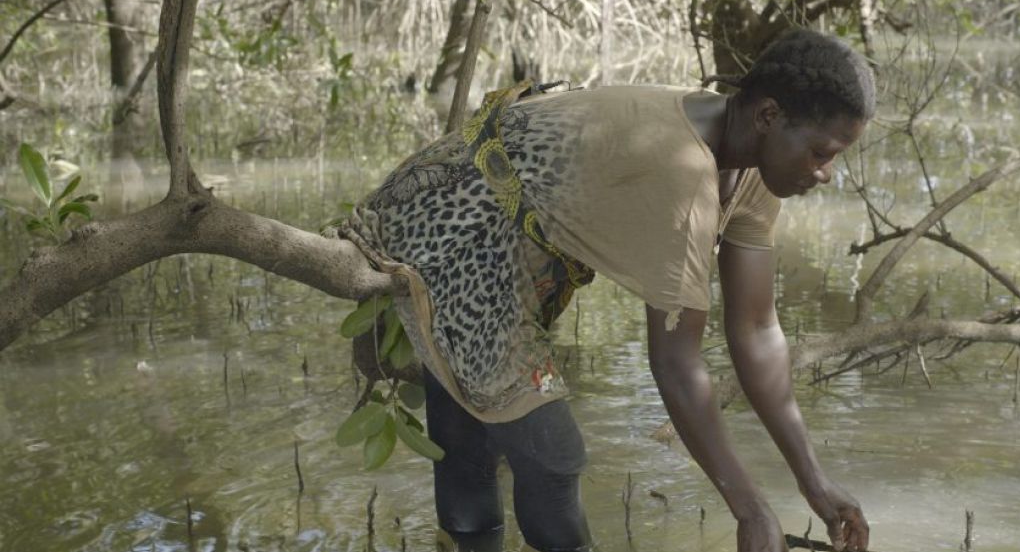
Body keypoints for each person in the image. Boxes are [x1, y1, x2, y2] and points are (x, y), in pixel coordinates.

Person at [342, 28, 875, 552]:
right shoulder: (681, 175)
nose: (826, 173)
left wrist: (813, 482)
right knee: (551, 454)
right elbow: (674, 362)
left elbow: (757, 331)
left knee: (479, 428)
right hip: (445, 228)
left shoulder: (751, 166)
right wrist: (751, 509)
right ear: (768, 116)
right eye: (821, 153)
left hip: (519, 245)